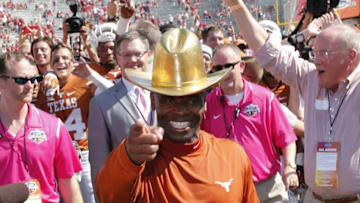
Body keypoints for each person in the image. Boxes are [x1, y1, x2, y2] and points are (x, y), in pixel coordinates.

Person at [95, 28, 258, 203]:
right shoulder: (139, 159)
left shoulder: (233, 155)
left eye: (190, 100)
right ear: (153, 100)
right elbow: (107, 196)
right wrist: (127, 157)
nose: (180, 110)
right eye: (169, 100)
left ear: (204, 100)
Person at [223, 0, 360, 201]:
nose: (316, 59)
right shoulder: (310, 78)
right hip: (314, 198)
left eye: (324, 53)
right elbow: (268, 52)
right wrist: (237, 6)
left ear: (351, 57)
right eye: (315, 51)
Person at [201, 43, 298, 202]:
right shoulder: (207, 103)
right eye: (218, 68)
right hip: (227, 189)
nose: (224, 72)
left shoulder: (264, 98)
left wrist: (290, 167)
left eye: (228, 66)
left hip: (267, 187)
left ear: (241, 66)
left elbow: (287, 139)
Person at [0, 53, 83, 203]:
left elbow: (68, 183)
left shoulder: (54, 126)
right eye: (21, 80)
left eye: (34, 79)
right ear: (1, 83)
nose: (30, 85)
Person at [88, 30, 154, 188]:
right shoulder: (101, 103)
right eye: (126, 55)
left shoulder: (166, 93)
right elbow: (99, 163)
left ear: (149, 55)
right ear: (117, 58)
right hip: (126, 191)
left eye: (138, 54)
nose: (133, 60)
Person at [35, 44, 97, 203]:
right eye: (56, 59)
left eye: (65, 58)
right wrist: (48, 75)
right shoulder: (43, 89)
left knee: (89, 197)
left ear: (72, 61)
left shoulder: (86, 83)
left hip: (83, 153)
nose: (60, 62)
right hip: (57, 157)